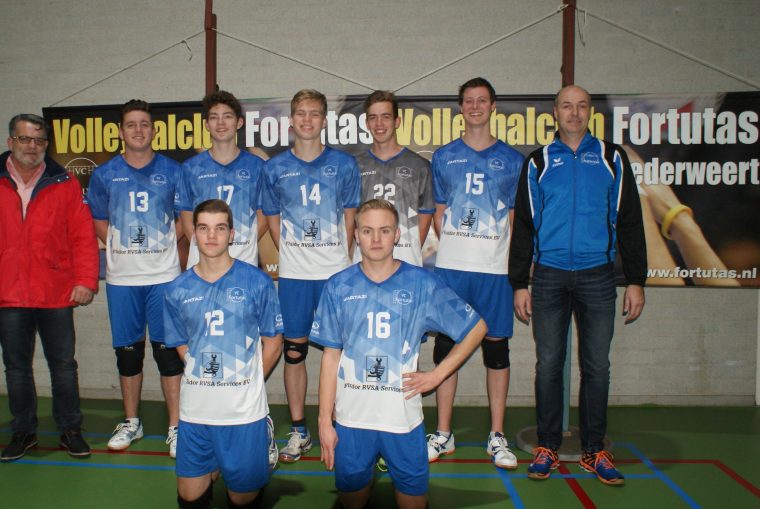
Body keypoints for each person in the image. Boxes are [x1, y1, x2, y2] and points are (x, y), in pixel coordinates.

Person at [509, 85, 647, 485]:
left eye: (581, 106)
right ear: (555, 111)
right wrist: (519, 282)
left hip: (597, 276)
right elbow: (524, 225)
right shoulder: (538, 162)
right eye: (567, 106)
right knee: (549, 365)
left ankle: (594, 450)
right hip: (549, 275)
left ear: (590, 112)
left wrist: (636, 280)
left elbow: (630, 220)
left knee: (597, 367)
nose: (574, 112)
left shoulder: (611, 158)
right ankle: (548, 446)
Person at [312, 199, 486, 509]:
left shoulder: (422, 284)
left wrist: (437, 375)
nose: (376, 239)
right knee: (352, 500)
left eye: (384, 230)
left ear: (396, 235)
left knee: (413, 503)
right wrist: (325, 420)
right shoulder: (338, 286)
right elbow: (330, 356)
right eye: (367, 231)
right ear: (356, 235)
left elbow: (476, 328)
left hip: (402, 420)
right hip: (352, 420)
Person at [428, 77, 523, 469]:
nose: (475, 106)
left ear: (493, 106)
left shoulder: (513, 160)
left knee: (496, 349)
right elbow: (438, 213)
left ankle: (497, 435)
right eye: (469, 101)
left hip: (494, 270)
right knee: (446, 348)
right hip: (452, 269)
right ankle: (443, 433)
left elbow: (515, 220)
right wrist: (458, 244)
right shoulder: (443, 156)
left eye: (482, 100)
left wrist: (505, 261)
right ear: (461, 107)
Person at [164, 199, 283, 509]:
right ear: (194, 233)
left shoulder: (257, 282)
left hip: (243, 413)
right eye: (204, 228)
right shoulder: (177, 288)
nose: (211, 236)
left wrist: (247, 380)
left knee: (241, 499)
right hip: (195, 411)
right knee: (190, 498)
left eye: (219, 228)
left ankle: (262, 435)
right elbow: (180, 342)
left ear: (231, 234)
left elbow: (273, 343)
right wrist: (205, 372)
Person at [262, 89, 360, 463]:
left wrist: (340, 260)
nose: (307, 120)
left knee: (343, 352)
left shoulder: (344, 165)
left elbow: (350, 219)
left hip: (335, 274)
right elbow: (272, 219)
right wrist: (294, 253)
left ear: (324, 120)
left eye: (314, 113)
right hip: (295, 276)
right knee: (294, 351)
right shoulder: (275, 168)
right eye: (300, 113)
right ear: (291, 120)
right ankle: (300, 430)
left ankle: (345, 425)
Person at [86, 100, 184, 456]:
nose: (138, 130)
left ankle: (176, 426)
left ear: (154, 130)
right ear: (121, 131)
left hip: (164, 277)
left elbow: (183, 220)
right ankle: (132, 422)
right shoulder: (105, 174)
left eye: (144, 124)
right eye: (131, 124)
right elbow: (99, 220)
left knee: (168, 354)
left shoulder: (173, 171)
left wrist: (163, 246)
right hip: (122, 279)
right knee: (128, 354)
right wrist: (122, 247)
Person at [0, 114, 98, 461]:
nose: (32, 146)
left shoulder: (64, 182)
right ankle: (23, 432)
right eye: (25, 139)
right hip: (9, 293)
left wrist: (85, 280)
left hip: (55, 291)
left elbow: (83, 235)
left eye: (39, 140)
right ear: (11, 142)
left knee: (63, 366)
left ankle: (70, 430)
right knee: (16, 368)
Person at [179, 90, 267, 268]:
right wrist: (208, 247)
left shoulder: (257, 166)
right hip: (202, 263)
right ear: (206, 124)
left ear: (239, 122)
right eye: (214, 117)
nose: (220, 123)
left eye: (227, 116)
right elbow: (186, 216)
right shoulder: (190, 167)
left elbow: (264, 215)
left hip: (243, 261)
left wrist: (243, 245)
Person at [355, 90, 434, 266]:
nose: (379, 124)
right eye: (373, 118)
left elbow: (426, 213)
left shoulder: (419, 165)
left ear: (397, 121)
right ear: (366, 123)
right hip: (364, 261)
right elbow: (350, 214)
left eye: (386, 117)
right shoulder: (354, 166)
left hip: (406, 260)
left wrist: (410, 249)